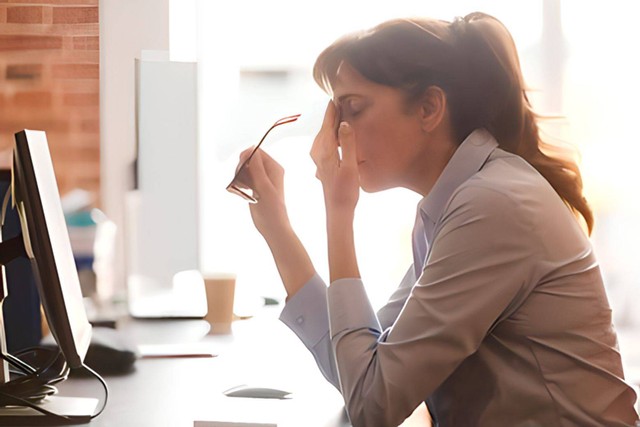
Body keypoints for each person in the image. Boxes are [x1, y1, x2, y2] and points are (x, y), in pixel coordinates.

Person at [231, 12, 639, 427]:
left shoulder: (492, 206)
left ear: (429, 108)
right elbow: (359, 371)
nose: (336, 132)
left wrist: (339, 212)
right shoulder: (454, 205)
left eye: (351, 109)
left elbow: (374, 405)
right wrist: (277, 228)